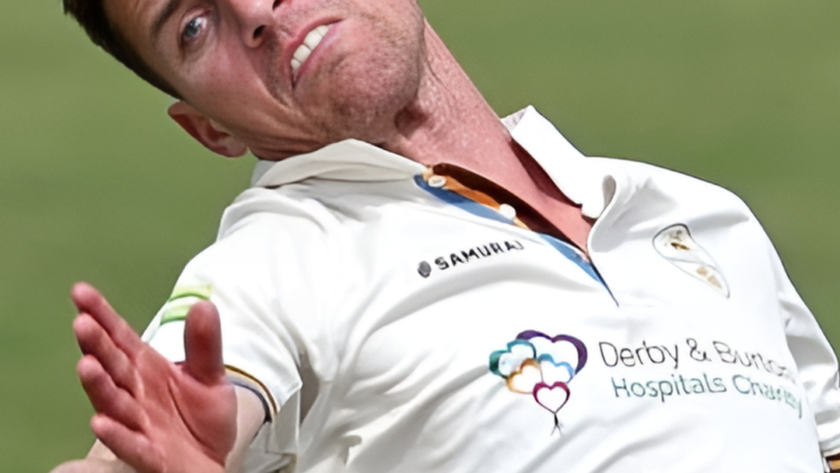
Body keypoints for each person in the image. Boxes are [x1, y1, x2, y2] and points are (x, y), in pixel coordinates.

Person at [52, 0, 840, 471]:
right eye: (193, 24)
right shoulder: (276, 256)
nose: (255, 10)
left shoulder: (703, 214)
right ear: (209, 130)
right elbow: (144, 437)